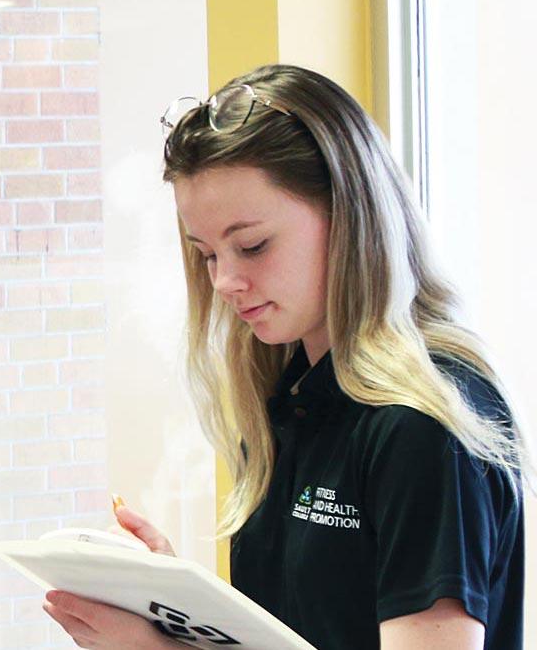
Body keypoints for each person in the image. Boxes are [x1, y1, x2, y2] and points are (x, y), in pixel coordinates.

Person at [44, 64, 525, 649]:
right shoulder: (291, 398)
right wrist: (178, 611)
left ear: (351, 216)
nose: (225, 282)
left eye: (251, 246)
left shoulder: (419, 427)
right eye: (207, 255)